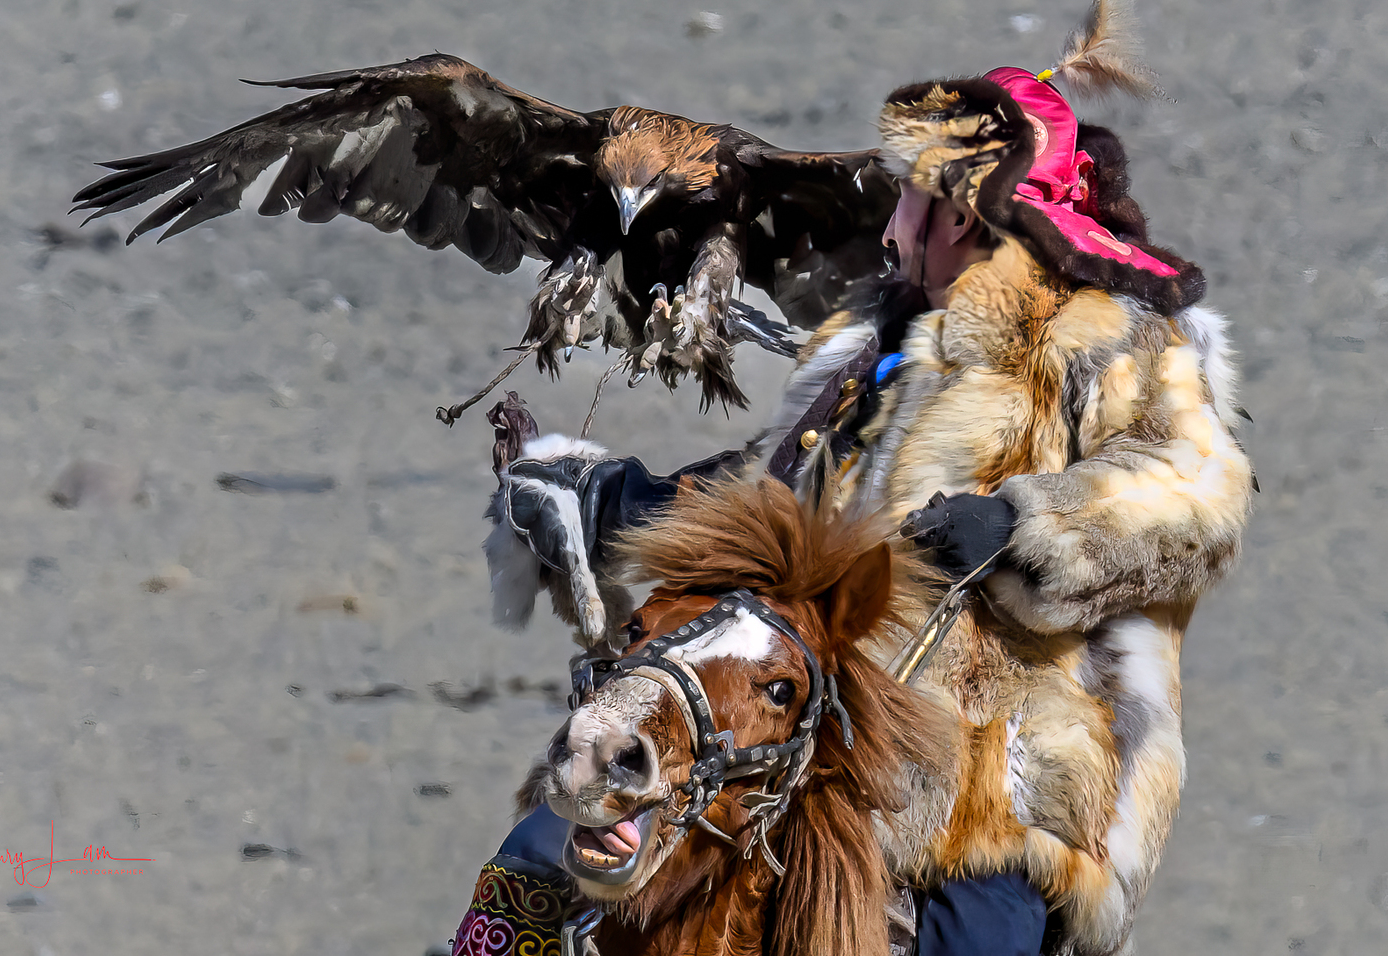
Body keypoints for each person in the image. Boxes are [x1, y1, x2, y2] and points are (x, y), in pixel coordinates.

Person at [453, 51, 1252, 956]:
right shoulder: (869, 344)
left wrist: (1026, 523)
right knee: (551, 843)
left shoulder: (1109, 337)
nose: (889, 221)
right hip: (811, 729)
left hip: (993, 764)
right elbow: (777, 505)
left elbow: (1201, 488)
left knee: (977, 942)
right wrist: (618, 497)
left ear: (962, 212)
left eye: (908, 198)